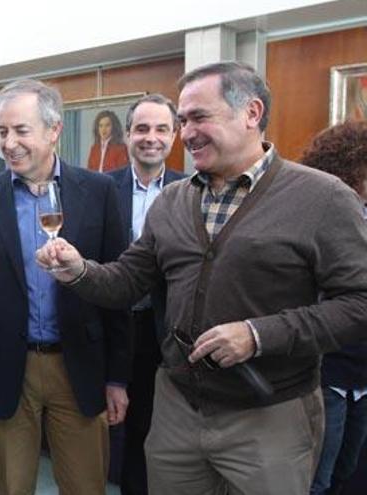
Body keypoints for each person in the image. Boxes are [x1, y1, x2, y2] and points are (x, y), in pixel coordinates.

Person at [34, 61, 367, 495]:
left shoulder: (322, 197)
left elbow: (359, 302)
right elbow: (129, 280)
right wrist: (80, 271)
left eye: (199, 117)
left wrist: (258, 334)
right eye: (184, 120)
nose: (186, 132)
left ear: (251, 113)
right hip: (177, 410)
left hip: (270, 413)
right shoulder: (173, 201)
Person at [0, 79, 131, 495]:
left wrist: (118, 377)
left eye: (21, 130)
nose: (8, 143)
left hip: (78, 366)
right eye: (3, 131)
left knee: (85, 487)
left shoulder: (98, 192)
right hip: (8, 368)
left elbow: (118, 289)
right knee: (11, 488)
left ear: (53, 130)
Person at [107, 93, 185, 495]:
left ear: (175, 135)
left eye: (160, 129)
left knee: (164, 430)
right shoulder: (102, 189)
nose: (150, 138)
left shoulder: (192, 190)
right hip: (115, 326)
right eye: (141, 128)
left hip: (169, 331)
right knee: (125, 434)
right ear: (127, 135)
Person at [303, 121, 367, 495]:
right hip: (330, 372)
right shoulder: (323, 216)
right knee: (318, 477)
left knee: (348, 469)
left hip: (363, 372)